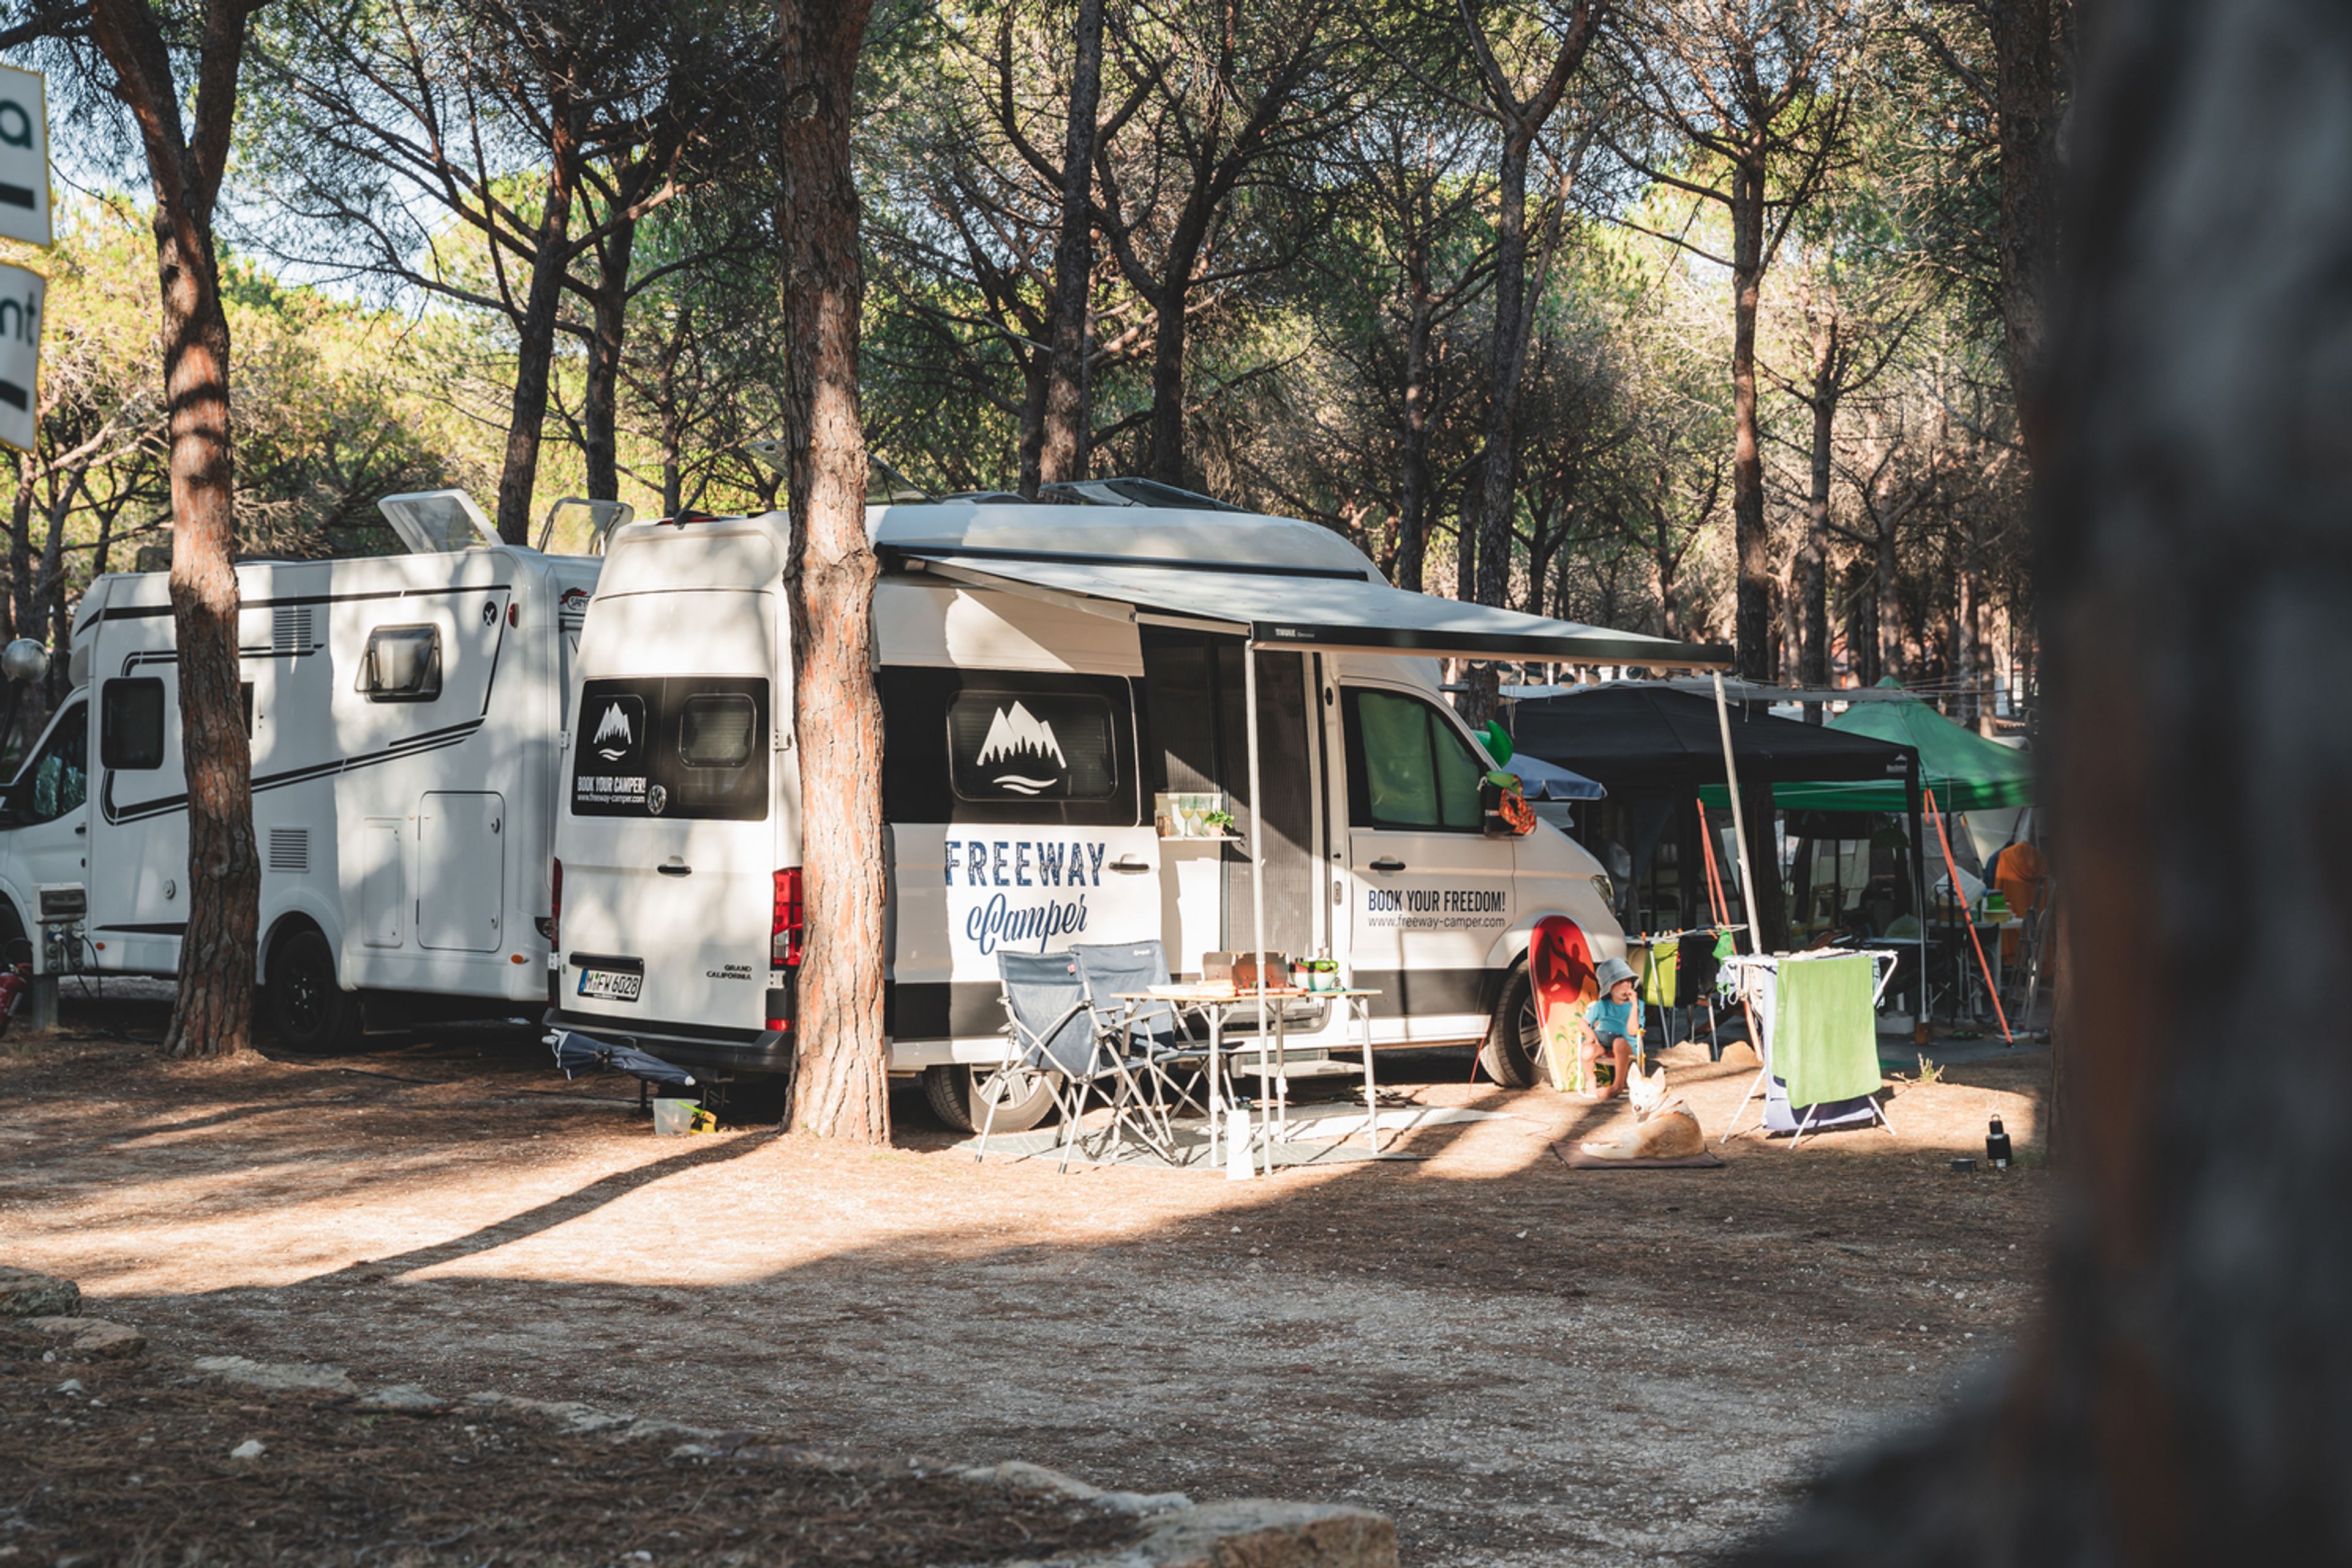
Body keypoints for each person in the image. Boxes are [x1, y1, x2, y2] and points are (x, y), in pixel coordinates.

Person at [1581, 956, 1643, 1101]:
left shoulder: (1638, 1005)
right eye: (1620, 982)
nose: (1626, 985)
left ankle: (1618, 1086)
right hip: (1603, 1042)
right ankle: (1591, 1080)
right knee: (1587, 1050)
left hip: (1626, 1045)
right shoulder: (1602, 1005)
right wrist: (1590, 1035)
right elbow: (1582, 1023)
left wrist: (1634, 1006)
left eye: (1629, 981)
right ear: (1609, 987)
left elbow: (1632, 1031)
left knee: (1619, 1042)